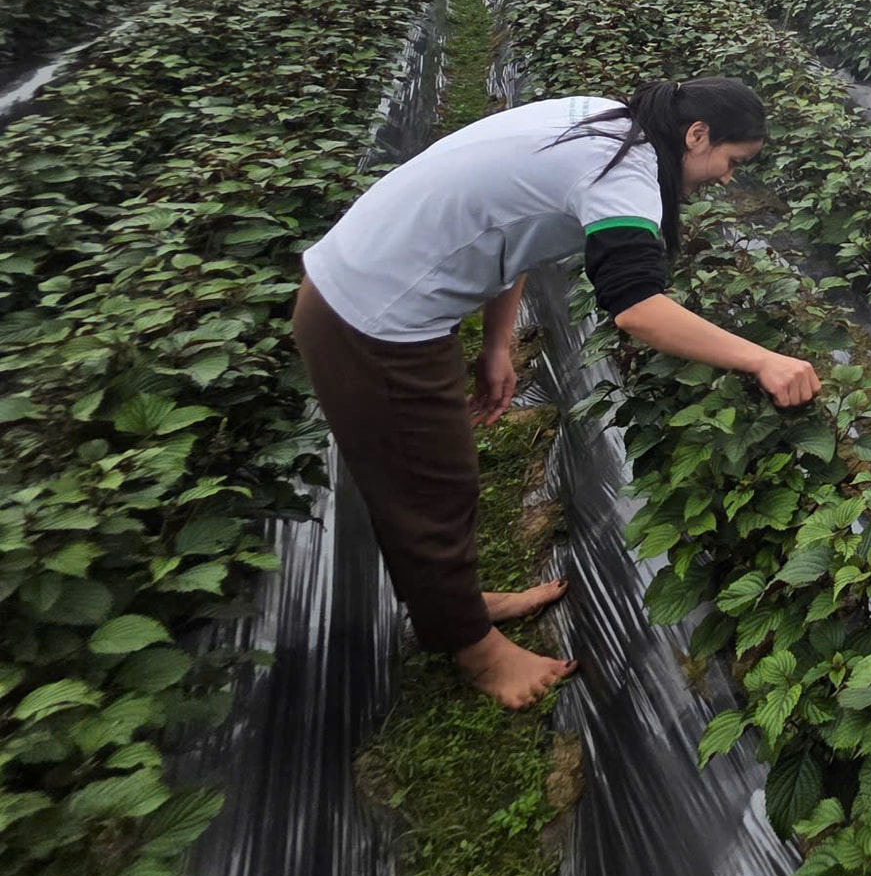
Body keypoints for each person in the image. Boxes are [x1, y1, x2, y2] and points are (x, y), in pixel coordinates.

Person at [294, 78, 823, 708]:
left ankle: (457, 604)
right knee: (428, 485)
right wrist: (763, 359)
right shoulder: (622, 172)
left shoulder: (606, 121)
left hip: (375, 284)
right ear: (697, 135)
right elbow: (638, 310)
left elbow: (514, 229)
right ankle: (478, 653)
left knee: (441, 471)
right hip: (368, 315)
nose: (729, 178)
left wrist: (497, 344)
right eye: (732, 163)